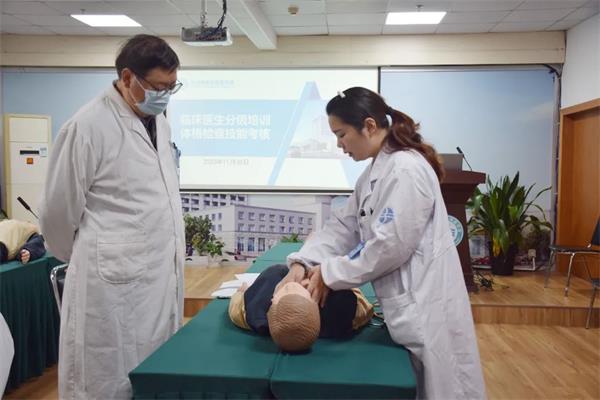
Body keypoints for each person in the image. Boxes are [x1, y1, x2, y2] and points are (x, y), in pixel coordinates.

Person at [279, 87, 486, 399]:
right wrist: (302, 262)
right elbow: (343, 227)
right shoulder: (374, 173)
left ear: (369, 126)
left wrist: (329, 274)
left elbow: (389, 246)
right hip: (408, 306)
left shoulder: (405, 169)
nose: (339, 144)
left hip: (424, 305)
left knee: (444, 386)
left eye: (341, 134)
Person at [39, 35, 185, 400]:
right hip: (109, 286)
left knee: (153, 373)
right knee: (106, 379)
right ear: (127, 78)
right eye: (158, 87)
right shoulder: (87, 127)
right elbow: (57, 214)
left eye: (172, 87)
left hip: (156, 279)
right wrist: (89, 253)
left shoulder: (159, 122)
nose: (165, 96)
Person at [228, 264, 373, 352]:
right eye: (305, 287)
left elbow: (236, 303)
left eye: (285, 290)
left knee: (274, 273)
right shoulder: (342, 313)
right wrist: (329, 279)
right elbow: (363, 304)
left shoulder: (252, 313)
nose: (300, 282)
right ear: (316, 300)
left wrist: (242, 292)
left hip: (275, 276)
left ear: (272, 302)